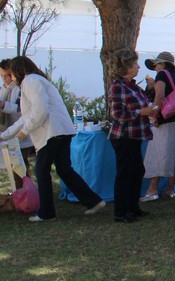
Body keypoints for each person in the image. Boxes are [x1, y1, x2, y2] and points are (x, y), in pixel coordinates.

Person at [0, 56, 105, 221]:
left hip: (52, 133)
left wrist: (25, 131)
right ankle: (93, 201)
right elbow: (26, 116)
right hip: (61, 131)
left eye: (10, 73)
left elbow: (39, 111)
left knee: (42, 171)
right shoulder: (37, 80)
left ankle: (47, 213)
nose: (9, 77)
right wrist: (4, 136)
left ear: (18, 70)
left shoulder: (30, 81)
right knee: (64, 170)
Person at [107, 49, 159, 223]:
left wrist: (150, 95)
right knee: (125, 173)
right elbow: (117, 114)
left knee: (136, 171)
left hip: (135, 136)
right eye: (135, 64)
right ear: (126, 68)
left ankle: (133, 208)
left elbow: (142, 102)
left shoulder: (133, 86)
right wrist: (140, 112)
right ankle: (121, 212)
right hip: (123, 136)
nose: (138, 67)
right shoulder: (117, 87)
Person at [140, 51, 175, 201]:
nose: (155, 68)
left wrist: (154, 115)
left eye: (156, 65)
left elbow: (159, 96)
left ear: (162, 64)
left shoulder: (162, 75)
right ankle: (170, 189)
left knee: (158, 154)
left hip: (166, 119)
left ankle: (152, 190)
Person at [0, 58, 33, 189]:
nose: (5, 78)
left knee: (20, 166)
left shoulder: (20, 88)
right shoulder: (3, 89)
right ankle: (21, 192)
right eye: (2, 75)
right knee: (14, 165)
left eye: (7, 75)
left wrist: (3, 105)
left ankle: (27, 192)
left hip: (22, 134)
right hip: (8, 132)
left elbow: (22, 111)